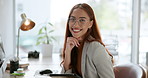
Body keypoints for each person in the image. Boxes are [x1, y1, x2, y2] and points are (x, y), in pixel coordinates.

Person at [61, 3, 115, 78]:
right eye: (72, 19)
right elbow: (65, 76)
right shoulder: (72, 45)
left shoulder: (96, 48)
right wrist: (68, 52)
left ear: (90, 24)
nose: (75, 25)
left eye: (82, 20)